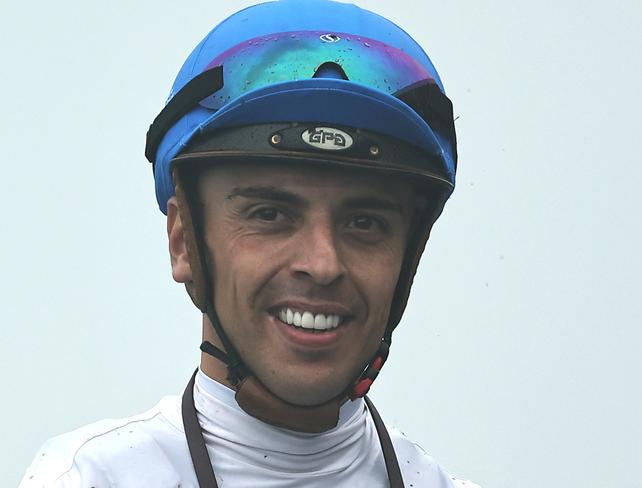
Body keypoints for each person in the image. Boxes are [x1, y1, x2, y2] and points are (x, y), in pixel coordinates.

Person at [19, 1, 480, 486]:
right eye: (270, 214)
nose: (322, 264)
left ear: (410, 256)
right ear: (182, 242)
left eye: (364, 223)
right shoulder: (90, 478)